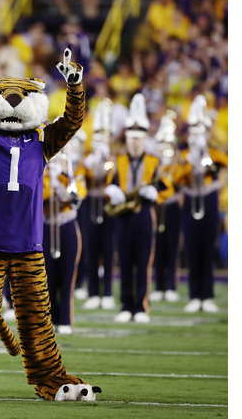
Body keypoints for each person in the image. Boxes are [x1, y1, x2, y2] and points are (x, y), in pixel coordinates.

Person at [0, 37, 96, 400]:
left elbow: (72, 120)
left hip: (28, 243)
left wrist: (75, 88)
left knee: (37, 321)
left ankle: (51, 379)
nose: (11, 101)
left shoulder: (42, 138)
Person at [104, 93, 174, 324]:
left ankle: (142, 306)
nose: (134, 142)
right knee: (123, 260)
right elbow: (108, 184)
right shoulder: (118, 159)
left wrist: (157, 194)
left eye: (139, 137)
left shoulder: (154, 162)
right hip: (123, 215)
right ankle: (126, 304)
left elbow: (168, 188)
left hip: (144, 214)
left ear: (145, 139)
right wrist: (110, 191)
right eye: (131, 137)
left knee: (144, 262)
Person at [171, 95, 228, 313]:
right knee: (192, 246)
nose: (197, 134)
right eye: (194, 129)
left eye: (201, 129)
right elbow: (176, 178)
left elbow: (224, 168)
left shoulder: (214, 153)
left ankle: (207, 295)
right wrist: (189, 162)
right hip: (190, 199)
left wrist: (208, 161)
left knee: (208, 246)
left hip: (209, 198)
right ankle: (195, 295)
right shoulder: (184, 155)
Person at [43, 142, 86, 335]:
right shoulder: (42, 175)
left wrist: (60, 179)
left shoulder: (73, 175)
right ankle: (49, 318)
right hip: (46, 225)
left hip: (67, 226)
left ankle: (65, 319)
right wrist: (49, 178)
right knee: (47, 276)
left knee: (68, 275)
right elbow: (40, 196)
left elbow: (76, 198)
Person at [80, 99, 117, 310]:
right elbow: (80, 178)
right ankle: (93, 291)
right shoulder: (88, 158)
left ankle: (108, 292)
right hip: (89, 204)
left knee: (108, 248)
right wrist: (88, 165)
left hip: (107, 204)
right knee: (91, 248)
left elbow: (114, 177)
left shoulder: (113, 157)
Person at [151, 110, 182, 303]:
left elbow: (180, 181)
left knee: (171, 245)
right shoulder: (155, 163)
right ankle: (159, 285)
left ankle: (171, 285)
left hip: (172, 207)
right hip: (157, 206)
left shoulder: (177, 163)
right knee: (157, 246)